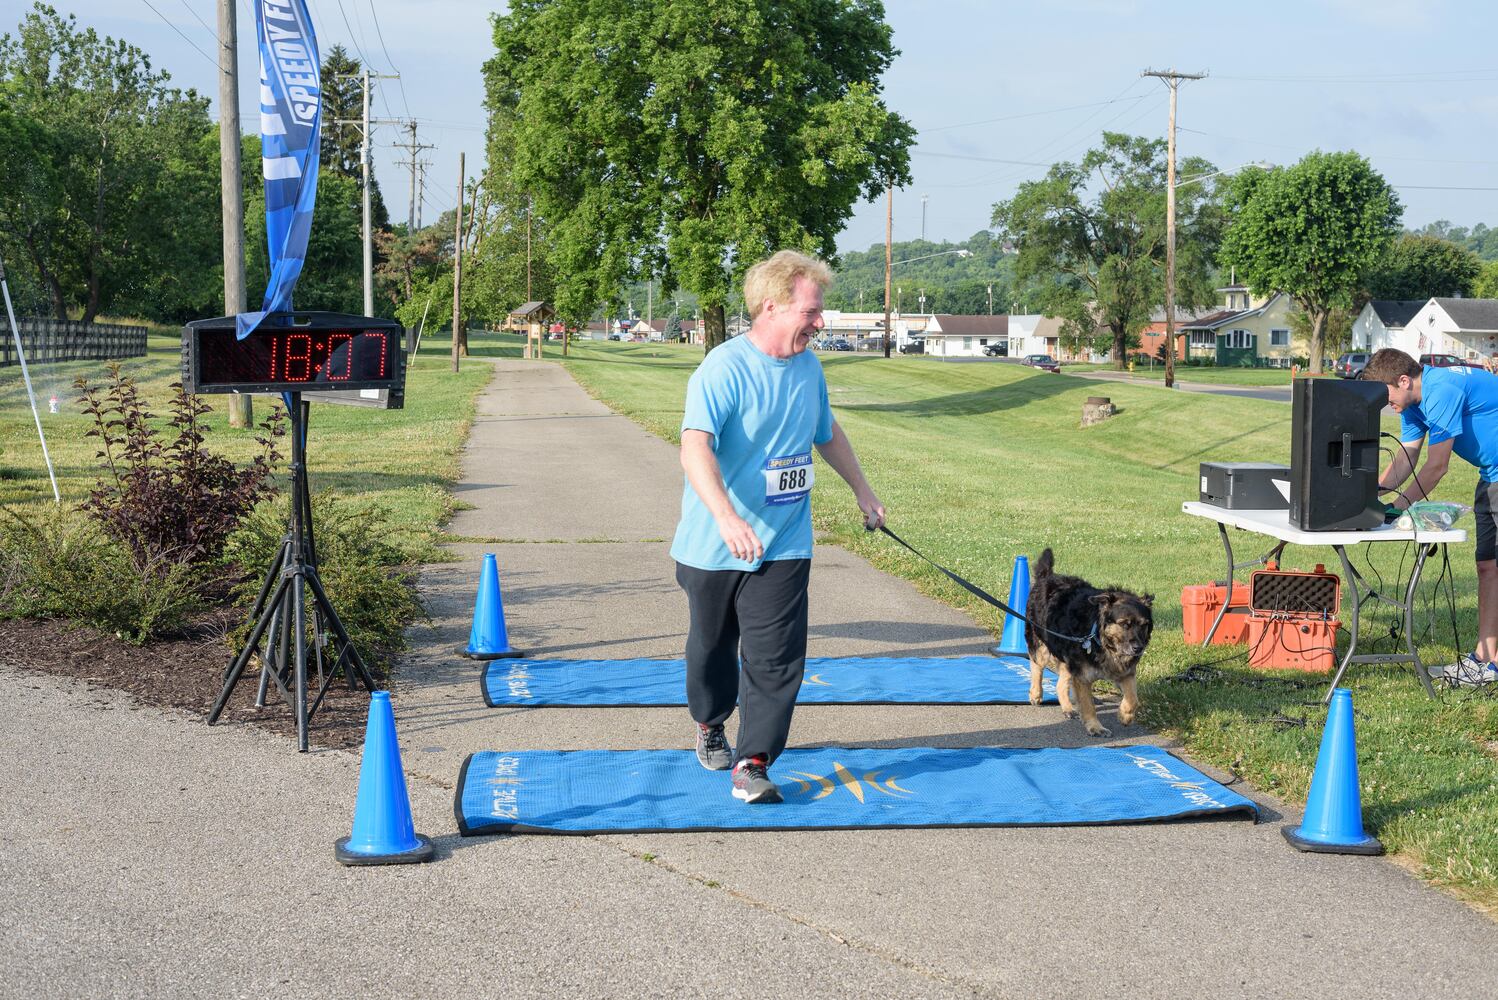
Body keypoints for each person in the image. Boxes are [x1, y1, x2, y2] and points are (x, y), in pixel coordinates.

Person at [670, 250, 885, 803]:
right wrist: (726, 517)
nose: (820, 322)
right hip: (715, 545)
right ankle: (710, 720)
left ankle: (754, 760)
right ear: (772, 307)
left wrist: (863, 491)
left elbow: (825, 430)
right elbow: (695, 447)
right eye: (811, 311)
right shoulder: (723, 367)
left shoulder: (809, 367)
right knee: (711, 650)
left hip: (785, 539)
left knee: (777, 654)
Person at [1363, 347, 1498, 685]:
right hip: (1491, 476)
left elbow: (1437, 467)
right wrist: (1370, 495)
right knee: (1488, 567)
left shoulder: (1441, 390)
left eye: (1387, 395)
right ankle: (1484, 658)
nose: (1386, 405)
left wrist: (1398, 508)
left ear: (1404, 380)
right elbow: (1407, 458)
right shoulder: (1414, 403)